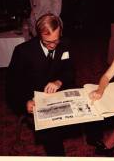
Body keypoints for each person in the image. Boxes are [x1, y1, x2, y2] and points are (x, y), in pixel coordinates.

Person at [6, 13, 75, 156]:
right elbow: (11, 87)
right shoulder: (23, 51)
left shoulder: (65, 44)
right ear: (38, 35)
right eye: (46, 42)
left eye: (55, 41)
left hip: (59, 94)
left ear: (61, 33)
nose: (51, 46)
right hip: (35, 99)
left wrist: (59, 81)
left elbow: (70, 71)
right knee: (52, 132)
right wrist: (25, 102)